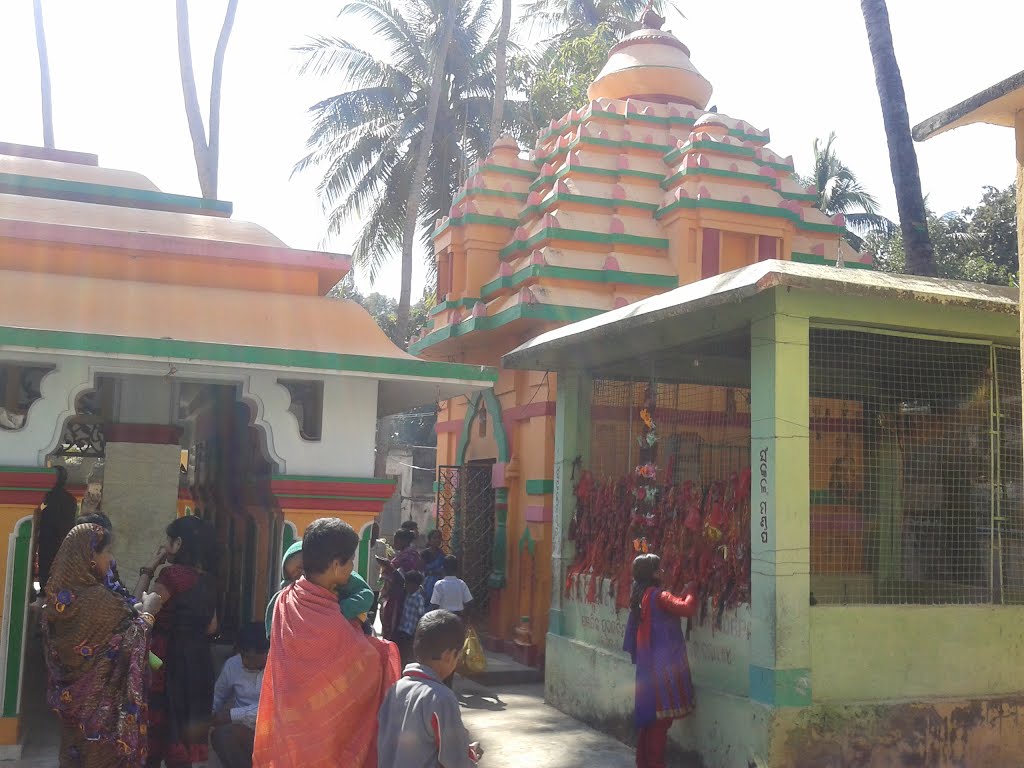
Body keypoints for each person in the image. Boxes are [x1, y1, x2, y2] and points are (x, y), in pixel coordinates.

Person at [254, 518, 400, 768]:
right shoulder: (332, 619)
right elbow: (366, 666)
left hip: (289, 730)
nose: (352, 566)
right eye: (350, 561)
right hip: (324, 734)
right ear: (335, 565)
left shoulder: (283, 601)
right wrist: (385, 650)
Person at [41, 522, 163, 767]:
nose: (111, 558)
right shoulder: (97, 599)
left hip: (71, 707)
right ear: (91, 557)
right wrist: (149, 613)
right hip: (100, 715)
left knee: (75, 756)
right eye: (107, 551)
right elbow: (130, 643)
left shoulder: (59, 600)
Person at [135, 516, 218, 768]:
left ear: (179, 543)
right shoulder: (209, 579)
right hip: (198, 661)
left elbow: (140, 608)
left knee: (158, 729)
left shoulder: (172, 576)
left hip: (166, 660)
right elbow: (213, 626)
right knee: (182, 732)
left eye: (169, 541)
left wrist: (150, 568)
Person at [377, 610, 483, 767]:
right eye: (457, 656)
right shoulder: (442, 698)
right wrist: (471, 755)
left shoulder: (395, 689)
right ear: (448, 655)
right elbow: (455, 761)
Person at [622, 553, 698, 768]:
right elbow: (687, 608)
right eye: (660, 568)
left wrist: (681, 594)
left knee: (649, 723)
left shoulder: (642, 595)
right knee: (659, 724)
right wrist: (691, 590)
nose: (663, 572)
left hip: (648, 669)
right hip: (661, 670)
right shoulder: (658, 596)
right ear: (654, 573)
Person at [264, 540, 376, 637]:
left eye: (302, 566)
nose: (301, 574)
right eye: (294, 573)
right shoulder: (288, 594)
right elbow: (275, 611)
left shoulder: (340, 575)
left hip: (350, 631)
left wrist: (339, 612)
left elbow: (366, 594)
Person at [211, 623, 269, 768]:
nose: (244, 661)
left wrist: (232, 715)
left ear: (267, 652)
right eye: (242, 655)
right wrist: (208, 715)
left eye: (249, 657)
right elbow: (217, 696)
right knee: (221, 735)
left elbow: (271, 710)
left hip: (272, 733)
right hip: (244, 731)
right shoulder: (233, 665)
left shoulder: (281, 667)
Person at [33, 465, 78, 599]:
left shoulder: (45, 497)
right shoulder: (70, 499)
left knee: (46, 567)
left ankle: (45, 590)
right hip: (62, 541)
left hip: (48, 539)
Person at [377, 529, 423, 641]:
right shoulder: (402, 554)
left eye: (396, 539)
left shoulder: (409, 556)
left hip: (401, 595)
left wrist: (389, 567)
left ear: (404, 540)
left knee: (395, 626)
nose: (394, 542)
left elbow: (406, 579)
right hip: (394, 594)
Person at [395, 570, 428, 666]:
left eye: (407, 583)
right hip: (402, 630)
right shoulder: (407, 595)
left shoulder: (419, 598)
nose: (405, 585)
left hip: (411, 633)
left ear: (415, 585)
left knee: (408, 656)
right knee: (402, 655)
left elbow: (421, 616)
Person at [366, 523, 392, 625]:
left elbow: (385, 564)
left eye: (376, 531)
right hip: (362, 584)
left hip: (375, 586)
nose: (375, 533)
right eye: (373, 531)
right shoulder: (362, 544)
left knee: (372, 614)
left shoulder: (381, 546)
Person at [420, 529, 445, 605]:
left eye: (439, 538)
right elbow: (421, 570)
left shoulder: (442, 554)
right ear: (430, 540)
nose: (437, 540)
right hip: (426, 583)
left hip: (439, 584)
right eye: (434, 538)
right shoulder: (424, 553)